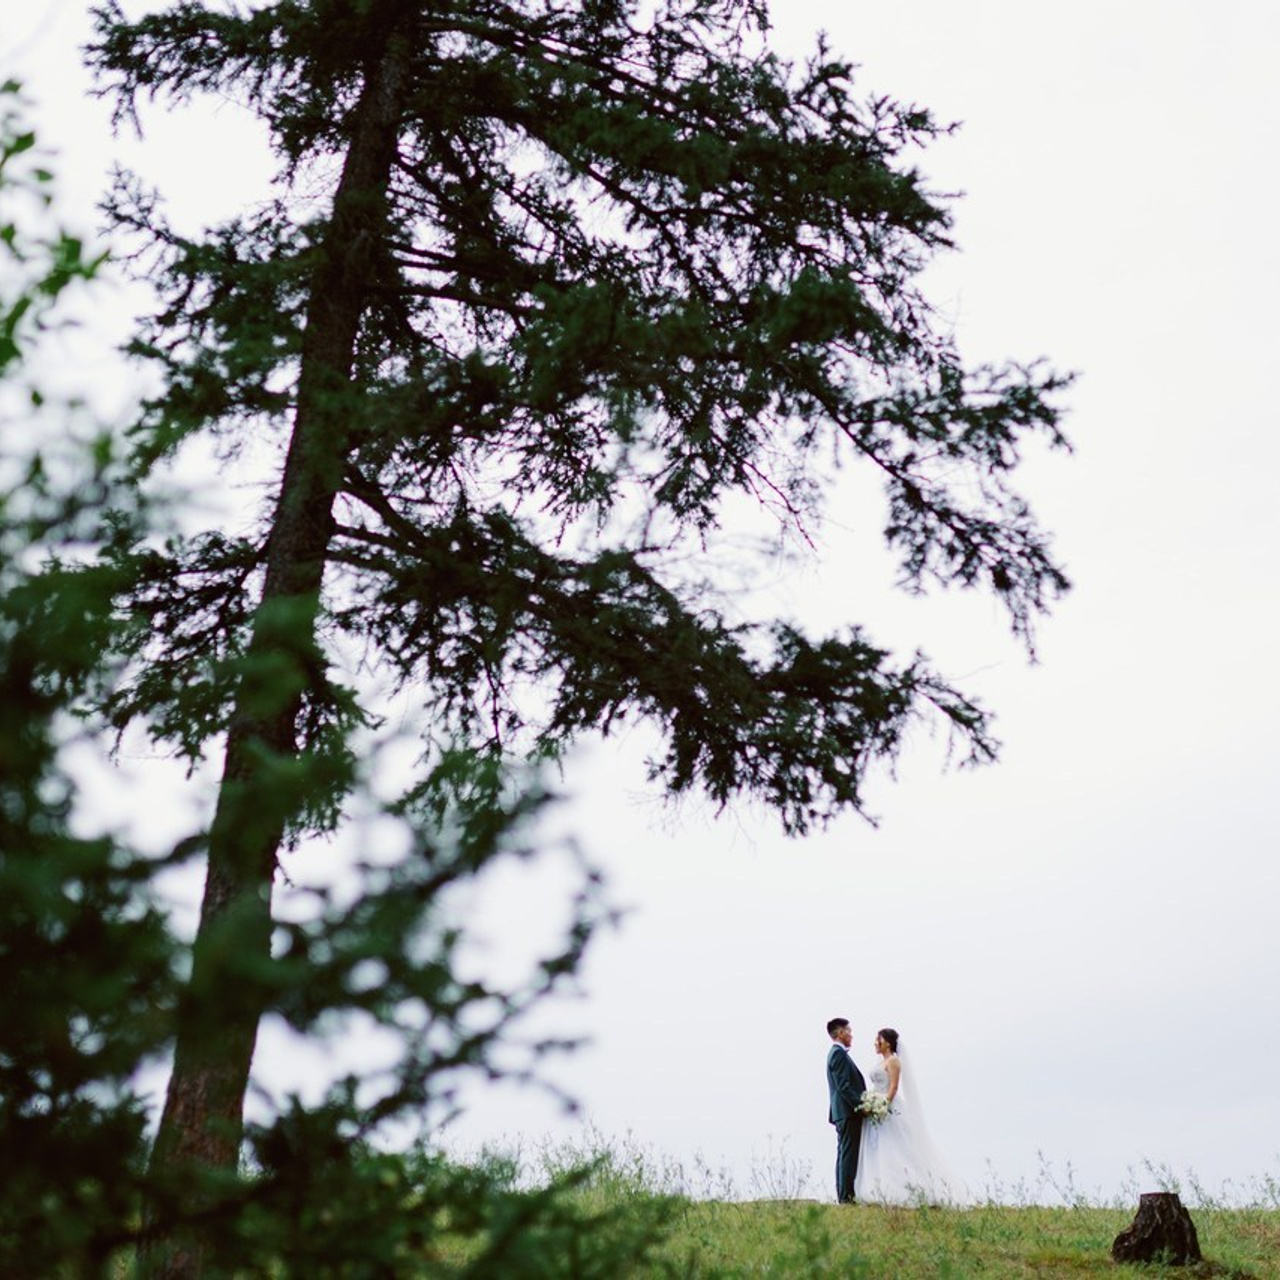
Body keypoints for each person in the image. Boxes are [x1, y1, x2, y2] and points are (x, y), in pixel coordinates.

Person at [856, 1027, 967, 1205]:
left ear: (888, 1043)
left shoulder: (894, 1061)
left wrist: (882, 1106)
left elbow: (893, 1087)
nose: (876, 1043)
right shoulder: (880, 1062)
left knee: (895, 1146)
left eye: (879, 1039)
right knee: (879, 1148)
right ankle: (878, 1188)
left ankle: (905, 1187)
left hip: (888, 1107)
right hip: (875, 1104)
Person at [825, 1017, 867, 1204]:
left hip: (843, 1112)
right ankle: (846, 1197)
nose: (851, 1035)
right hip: (848, 1112)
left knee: (844, 1153)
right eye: (849, 1031)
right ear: (841, 1033)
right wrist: (861, 1106)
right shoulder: (838, 1054)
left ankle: (844, 1195)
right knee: (848, 1155)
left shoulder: (837, 1054)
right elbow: (844, 1086)